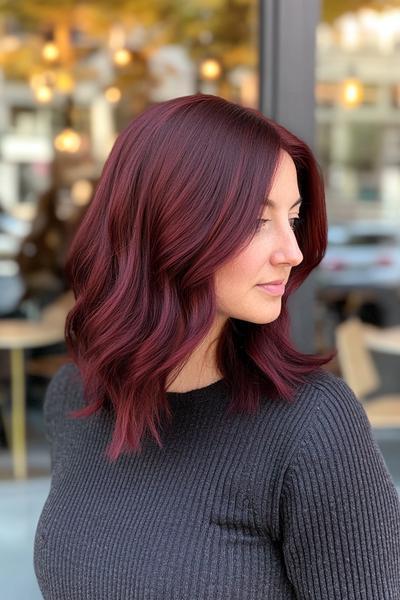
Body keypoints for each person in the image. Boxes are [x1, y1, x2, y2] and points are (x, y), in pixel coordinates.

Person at [34, 94, 400, 599]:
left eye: (292, 218)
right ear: (169, 226)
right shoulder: (76, 397)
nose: (292, 252)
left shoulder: (313, 427)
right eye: (257, 220)